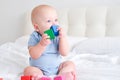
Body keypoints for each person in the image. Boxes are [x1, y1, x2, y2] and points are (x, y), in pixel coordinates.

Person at [23, 4, 76, 80]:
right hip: (39, 69)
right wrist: (41, 44)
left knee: (70, 64)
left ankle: (62, 76)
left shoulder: (57, 36)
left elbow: (64, 53)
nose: (54, 24)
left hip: (57, 68)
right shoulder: (35, 36)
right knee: (28, 70)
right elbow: (33, 55)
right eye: (49, 21)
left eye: (56, 20)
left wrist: (63, 38)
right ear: (37, 27)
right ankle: (40, 77)